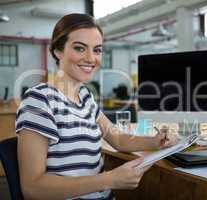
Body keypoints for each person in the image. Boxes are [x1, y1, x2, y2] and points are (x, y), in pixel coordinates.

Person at [16, 13, 177, 200]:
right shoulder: (39, 100)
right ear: (57, 51)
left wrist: (155, 141)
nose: (91, 58)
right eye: (80, 48)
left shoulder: (84, 97)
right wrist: (108, 180)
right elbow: (32, 188)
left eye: (97, 50)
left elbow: (117, 138)